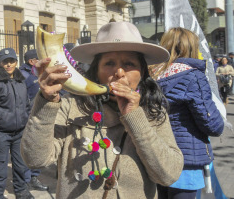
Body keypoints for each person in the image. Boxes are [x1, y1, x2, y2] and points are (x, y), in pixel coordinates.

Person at [21, 22, 184, 198]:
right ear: (96, 72)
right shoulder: (70, 107)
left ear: (142, 71)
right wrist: (46, 102)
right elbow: (35, 159)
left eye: (129, 64)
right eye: (109, 63)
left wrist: (135, 118)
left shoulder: (153, 112)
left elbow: (168, 175)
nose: (120, 72)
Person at [152, 27, 224, 199]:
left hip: (156, 157)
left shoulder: (151, 76)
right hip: (186, 160)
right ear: (191, 48)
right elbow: (213, 125)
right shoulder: (193, 77)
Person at [0, 48, 34, 199]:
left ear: (16, 62)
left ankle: (21, 190)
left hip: (19, 133)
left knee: (20, 165)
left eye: (12, 61)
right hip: (1, 134)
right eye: (5, 61)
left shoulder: (20, 81)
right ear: (0, 63)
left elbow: (27, 106)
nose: (9, 65)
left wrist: (26, 125)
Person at [19, 49, 49, 191]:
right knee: (27, 149)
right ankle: (25, 181)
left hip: (39, 116)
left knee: (39, 148)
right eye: (39, 59)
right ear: (32, 61)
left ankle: (34, 177)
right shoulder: (22, 75)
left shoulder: (37, 73)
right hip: (27, 118)